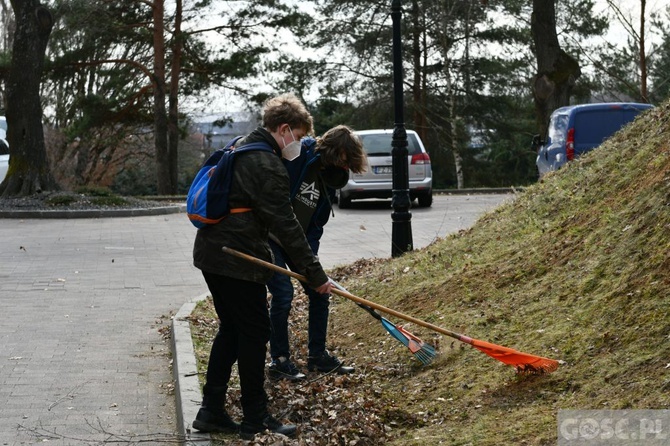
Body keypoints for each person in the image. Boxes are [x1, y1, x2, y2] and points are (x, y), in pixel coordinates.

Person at [191, 93, 333, 440]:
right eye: (297, 137)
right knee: (255, 333)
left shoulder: (243, 145)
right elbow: (285, 224)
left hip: (214, 254)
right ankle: (256, 418)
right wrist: (316, 276)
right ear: (284, 129)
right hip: (236, 258)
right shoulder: (266, 164)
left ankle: (211, 411)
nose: (297, 144)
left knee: (233, 329)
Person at [267, 125, 367, 381]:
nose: (345, 168)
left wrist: (313, 265)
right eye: (345, 161)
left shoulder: (330, 177)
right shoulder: (299, 155)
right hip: (270, 236)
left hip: (297, 243)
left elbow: (315, 227)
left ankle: (317, 356)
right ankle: (279, 361)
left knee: (320, 292)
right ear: (335, 150)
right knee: (283, 293)